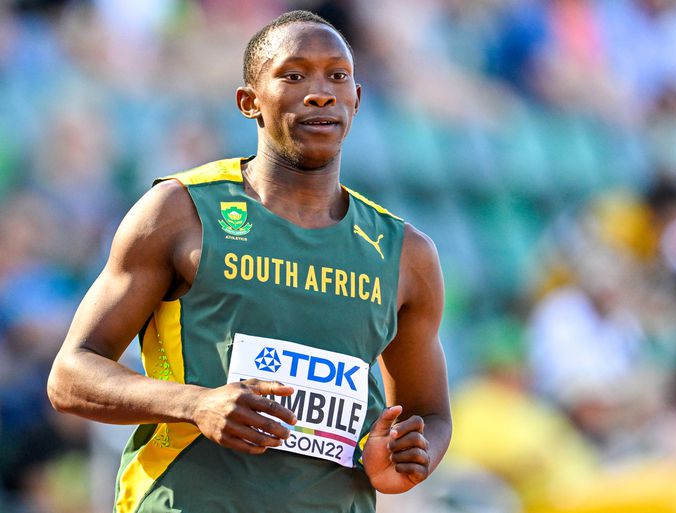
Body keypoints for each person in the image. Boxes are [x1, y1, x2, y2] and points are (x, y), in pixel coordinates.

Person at [47, 10, 451, 513]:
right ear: (249, 101)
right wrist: (196, 404)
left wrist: (406, 453)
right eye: (293, 75)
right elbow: (71, 375)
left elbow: (429, 414)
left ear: (357, 98)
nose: (320, 93)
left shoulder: (404, 253)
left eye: (337, 76)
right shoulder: (180, 212)